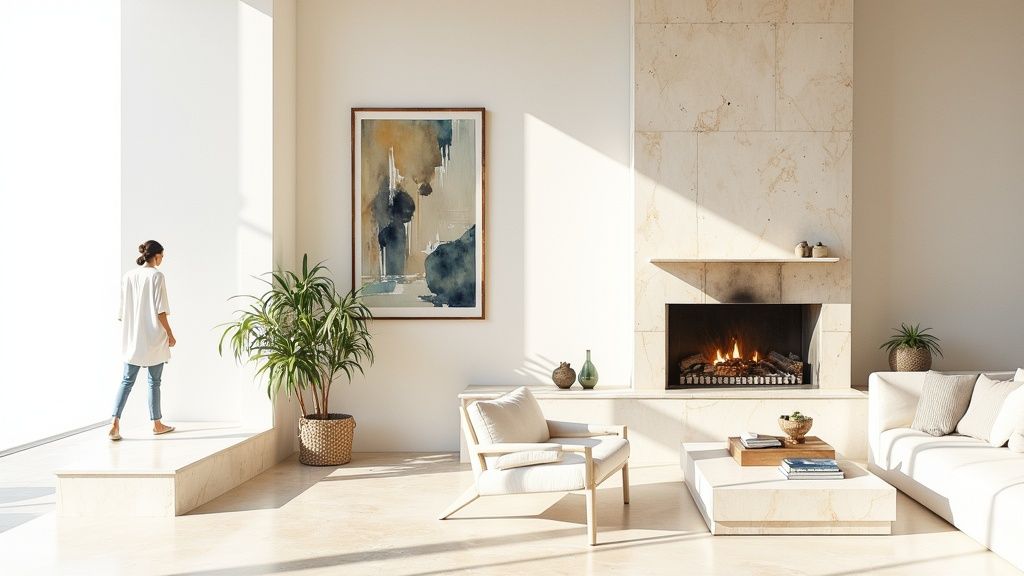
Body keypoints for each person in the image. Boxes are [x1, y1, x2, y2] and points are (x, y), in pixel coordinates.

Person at [108, 240, 176, 441]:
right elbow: (160, 309)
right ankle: (157, 424)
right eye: (162, 256)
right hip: (153, 337)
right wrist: (170, 333)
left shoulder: (128, 276)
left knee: (126, 381)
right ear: (155, 256)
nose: (162, 259)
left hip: (133, 338)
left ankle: (114, 423)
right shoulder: (157, 276)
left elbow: (122, 312)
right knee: (154, 382)